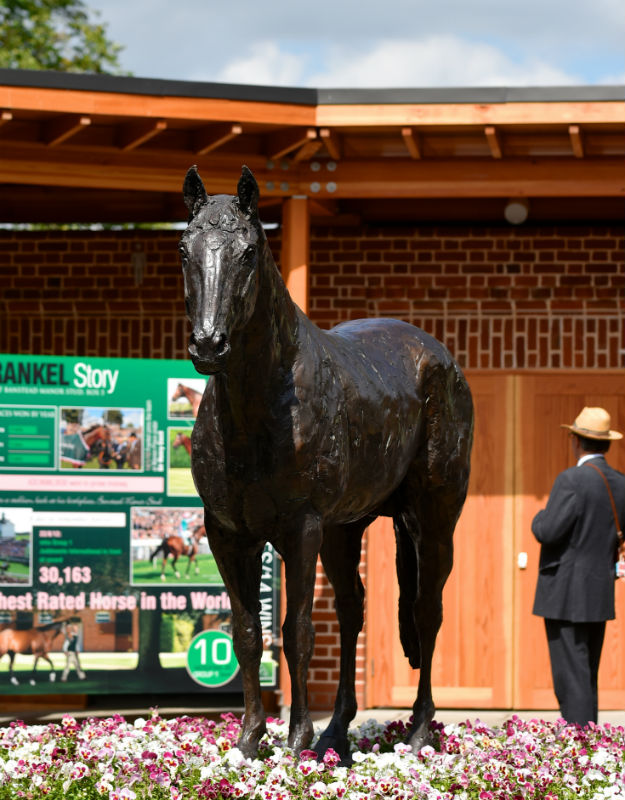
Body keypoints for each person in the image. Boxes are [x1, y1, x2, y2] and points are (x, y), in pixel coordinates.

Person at [532, 406, 625, 726]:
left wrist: (539, 517)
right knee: (586, 674)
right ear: (607, 443)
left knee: (570, 678)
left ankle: (581, 748)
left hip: (565, 593)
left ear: (576, 441)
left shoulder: (572, 479)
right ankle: (594, 745)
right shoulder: (620, 483)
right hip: (598, 591)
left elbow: (548, 531)